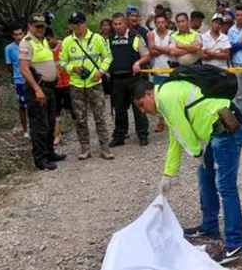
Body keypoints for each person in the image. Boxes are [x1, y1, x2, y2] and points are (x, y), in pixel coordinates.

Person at [133, 81, 242, 264]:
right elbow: (175, 139)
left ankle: (236, 243)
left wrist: (196, 152)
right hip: (217, 131)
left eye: (141, 104)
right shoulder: (166, 100)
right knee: (205, 176)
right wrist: (168, 174)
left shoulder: (165, 97)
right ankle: (210, 226)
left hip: (227, 129)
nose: (142, 111)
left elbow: (182, 129)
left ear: (149, 94)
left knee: (226, 188)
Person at [59, 10, 114, 160]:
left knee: (100, 117)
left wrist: (101, 72)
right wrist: (72, 68)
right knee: (80, 118)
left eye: (78, 24)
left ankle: (105, 148)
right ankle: (85, 148)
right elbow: (62, 62)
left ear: (84, 24)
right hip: (76, 85)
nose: (75, 27)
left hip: (94, 83)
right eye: (73, 24)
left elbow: (108, 57)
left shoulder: (97, 39)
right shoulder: (67, 41)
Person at [20, 14, 67, 170]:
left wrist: (55, 71)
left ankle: (49, 152)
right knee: (40, 124)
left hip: (50, 87)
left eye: (42, 26)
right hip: (37, 89)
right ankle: (40, 159)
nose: (40, 29)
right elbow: (24, 69)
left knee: (50, 123)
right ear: (29, 26)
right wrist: (36, 88)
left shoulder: (42, 41)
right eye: (37, 26)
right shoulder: (27, 43)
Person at [108, 12, 151, 147]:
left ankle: (143, 135)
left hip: (134, 79)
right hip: (117, 80)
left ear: (125, 23)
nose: (118, 26)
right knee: (119, 109)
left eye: (120, 23)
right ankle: (119, 136)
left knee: (138, 108)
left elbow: (147, 55)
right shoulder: (108, 40)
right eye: (115, 24)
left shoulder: (136, 38)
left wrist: (138, 63)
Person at [49, 27, 77, 145]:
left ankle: (79, 129)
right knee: (56, 110)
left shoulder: (63, 46)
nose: (47, 42)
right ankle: (58, 134)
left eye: (49, 39)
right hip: (54, 85)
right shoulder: (45, 50)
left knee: (72, 108)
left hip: (68, 83)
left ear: (54, 37)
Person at [148, 11, 173, 134]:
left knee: (172, 96)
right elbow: (151, 52)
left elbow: (173, 51)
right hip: (157, 70)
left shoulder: (172, 34)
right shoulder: (151, 34)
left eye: (162, 22)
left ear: (166, 23)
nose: (160, 24)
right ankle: (161, 121)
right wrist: (165, 50)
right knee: (159, 97)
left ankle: (173, 120)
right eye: (157, 22)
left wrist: (157, 48)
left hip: (170, 70)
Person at [5, 23, 29, 138]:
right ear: (12, 35)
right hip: (19, 80)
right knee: (22, 105)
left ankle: (35, 127)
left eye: (20, 34)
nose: (18, 36)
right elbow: (9, 66)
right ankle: (25, 129)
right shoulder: (9, 49)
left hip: (31, 78)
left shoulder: (29, 44)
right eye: (16, 34)